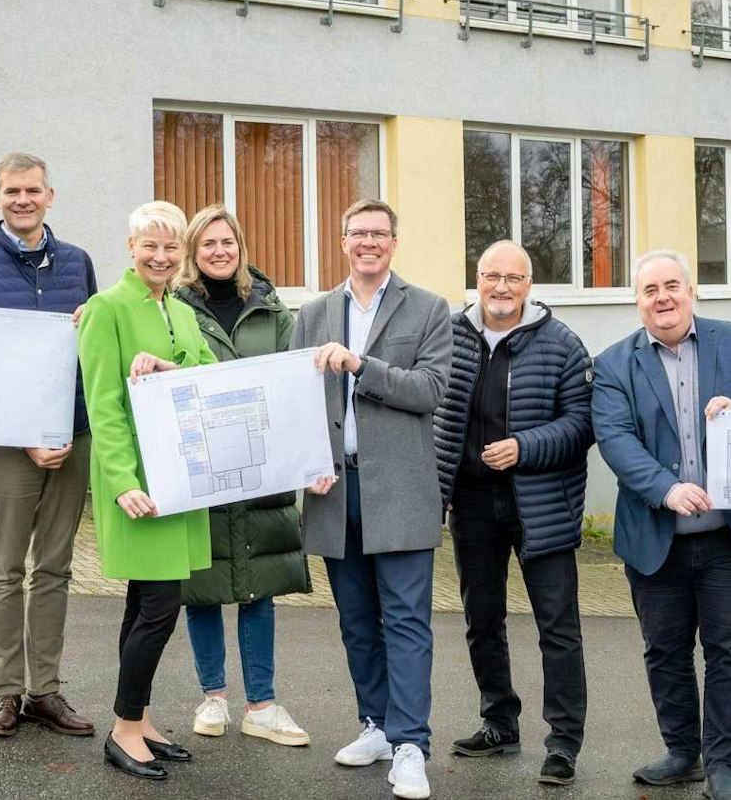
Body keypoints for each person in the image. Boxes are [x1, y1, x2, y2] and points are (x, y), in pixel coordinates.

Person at [591, 250, 731, 800]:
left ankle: (724, 767)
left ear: (691, 290)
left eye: (671, 285)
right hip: (657, 539)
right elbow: (616, 439)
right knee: (665, 649)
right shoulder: (611, 365)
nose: (663, 298)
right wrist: (665, 489)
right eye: (650, 290)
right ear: (638, 302)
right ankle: (682, 752)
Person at [294, 199, 454, 800]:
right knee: (358, 621)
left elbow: (431, 390)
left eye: (379, 234)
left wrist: (362, 365)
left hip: (403, 490)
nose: (368, 242)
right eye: (358, 233)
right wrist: (304, 465)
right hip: (335, 491)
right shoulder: (311, 314)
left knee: (407, 621)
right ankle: (378, 725)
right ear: (342, 241)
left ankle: (412, 743)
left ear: (394, 241)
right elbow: (298, 401)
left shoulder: (430, 308)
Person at [0, 152, 100, 739]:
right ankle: (6, 693)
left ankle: (46, 692)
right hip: (10, 444)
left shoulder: (78, 261)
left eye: (32, 190)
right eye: (12, 191)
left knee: (56, 568)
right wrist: (24, 435)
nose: (23, 200)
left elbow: (84, 349)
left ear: (50, 195)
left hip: (72, 433)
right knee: (5, 568)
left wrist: (67, 429)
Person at [432, 240, 593, 787]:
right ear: (476, 278)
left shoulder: (562, 343)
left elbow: (581, 425)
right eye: (491, 275)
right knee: (481, 618)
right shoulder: (451, 334)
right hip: (473, 502)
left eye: (514, 278)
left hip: (541, 503)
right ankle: (499, 721)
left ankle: (563, 744)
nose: (501, 287)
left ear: (530, 284)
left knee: (558, 627)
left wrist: (525, 446)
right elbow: (434, 411)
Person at [78, 200, 218, 782]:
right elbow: (102, 404)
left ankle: (140, 718)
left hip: (180, 479)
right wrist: (121, 483)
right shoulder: (106, 308)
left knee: (145, 606)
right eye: (149, 246)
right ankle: (123, 729)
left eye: (170, 248)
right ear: (130, 247)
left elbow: (208, 371)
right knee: (158, 609)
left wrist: (168, 364)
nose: (160, 257)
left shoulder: (180, 309)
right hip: (142, 484)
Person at [171, 204, 312, 748]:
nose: (219, 252)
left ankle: (263, 705)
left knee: (259, 587)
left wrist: (307, 463)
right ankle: (213, 697)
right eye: (207, 244)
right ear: (193, 252)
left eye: (227, 242)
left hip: (261, 468)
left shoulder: (273, 312)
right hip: (201, 468)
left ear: (240, 247)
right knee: (202, 587)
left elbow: (293, 390)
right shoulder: (175, 308)